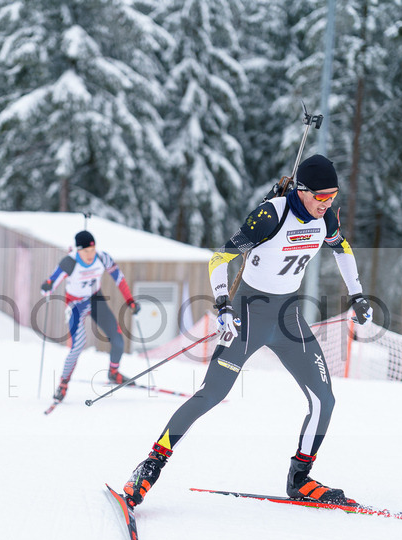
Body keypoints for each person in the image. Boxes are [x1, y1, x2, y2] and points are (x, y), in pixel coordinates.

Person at [120, 155, 374, 510]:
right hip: (248, 319)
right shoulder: (271, 215)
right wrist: (223, 305)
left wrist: (358, 293)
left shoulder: (325, 217)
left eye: (333, 196)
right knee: (210, 395)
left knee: (324, 400)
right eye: (321, 197)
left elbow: (342, 249)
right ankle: (150, 466)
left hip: (288, 319)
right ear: (302, 191)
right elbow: (219, 259)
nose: (328, 204)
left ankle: (299, 478)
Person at [40, 229, 141, 401]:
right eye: (86, 251)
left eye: (92, 250)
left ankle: (113, 372)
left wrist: (130, 301)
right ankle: (63, 384)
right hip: (75, 304)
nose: (90, 254)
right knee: (78, 345)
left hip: (96, 300)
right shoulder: (69, 262)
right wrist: (47, 287)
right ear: (78, 250)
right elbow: (50, 284)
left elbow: (119, 278)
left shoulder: (102, 257)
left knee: (117, 339)